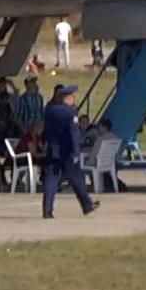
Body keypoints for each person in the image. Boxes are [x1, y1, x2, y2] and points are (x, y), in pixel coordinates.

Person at [40, 84, 99, 218]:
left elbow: (46, 129)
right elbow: (73, 133)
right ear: (67, 98)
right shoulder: (70, 112)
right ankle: (87, 205)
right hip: (67, 152)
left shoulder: (49, 110)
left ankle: (47, 209)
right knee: (77, 179)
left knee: (51, 180)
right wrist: (76, 151)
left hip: (53, 149)